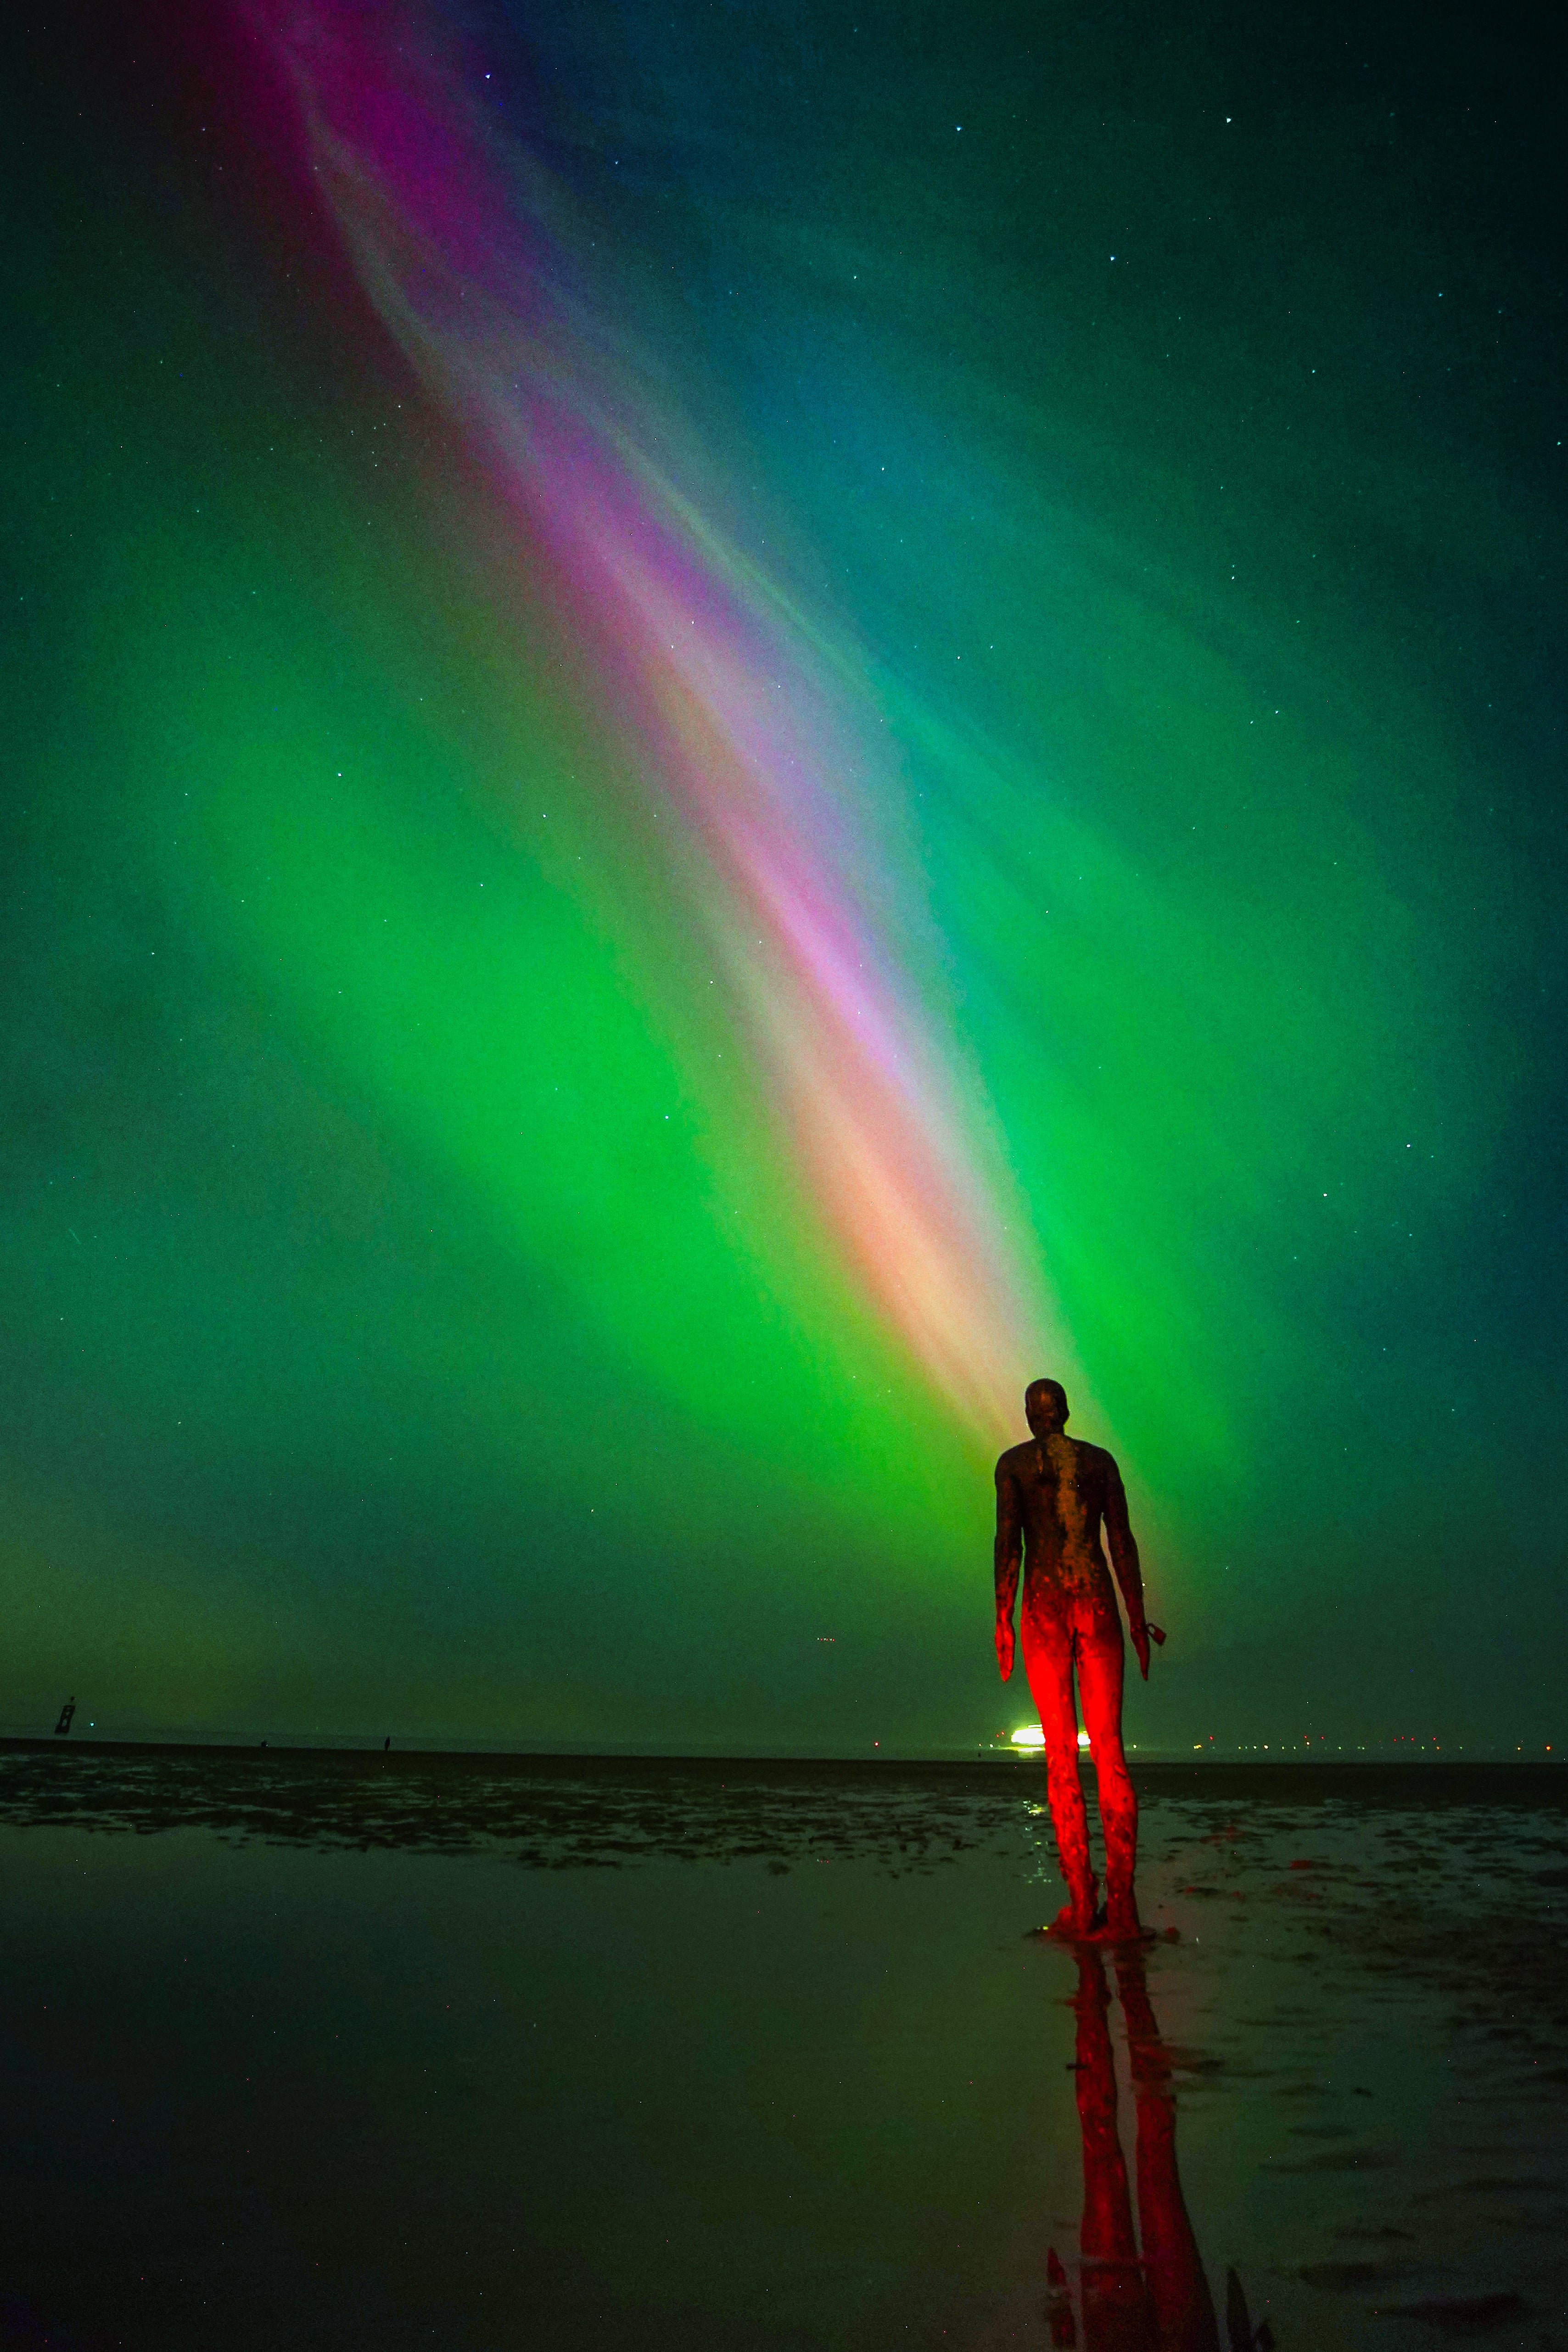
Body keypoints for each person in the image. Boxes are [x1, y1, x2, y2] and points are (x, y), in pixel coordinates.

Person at [994, 1378, 1163, 1938]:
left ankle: (1081, 1898)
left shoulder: (1013, 1465)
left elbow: (1008, 1544)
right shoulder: (1099, 1463)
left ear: (1028, 1416)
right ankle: (1121, 1907)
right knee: (1109, 1752)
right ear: (1064, 1413)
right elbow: (1121, 1543)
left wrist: (1001, 1618)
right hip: (1096, 1604)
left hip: (1043, 1608)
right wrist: (1135, 1618)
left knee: (1061, 1758)